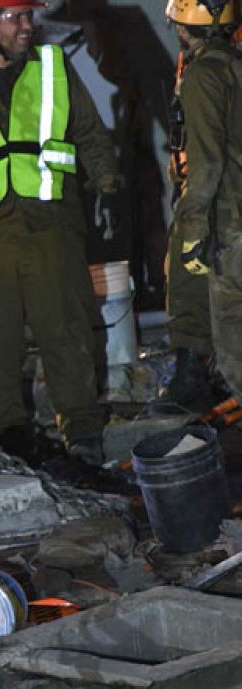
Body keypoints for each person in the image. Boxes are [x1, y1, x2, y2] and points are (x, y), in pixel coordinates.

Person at [0, 0, 123, 464]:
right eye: (15, 17)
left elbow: (89, 133)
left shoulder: (54, 70)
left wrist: (107, 187)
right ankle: (9, 433)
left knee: (66, 330)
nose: (27, 26)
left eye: (29, 16)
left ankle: (82, 431)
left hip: (51, 222)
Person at [166, 0, 242, 407]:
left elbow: (208, 163)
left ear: (182, 27)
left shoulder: (204, 75)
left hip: (229, 225)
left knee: (235, 351)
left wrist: (193, 228)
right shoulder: (235, 66)